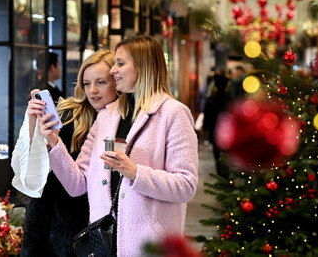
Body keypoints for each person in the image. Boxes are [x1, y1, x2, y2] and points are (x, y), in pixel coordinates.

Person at [40, 35, 199, 257]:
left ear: (143, 66)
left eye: (121, 63)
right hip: (103, 244)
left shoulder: (173, 113)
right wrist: (54, 142)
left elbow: (186, 185)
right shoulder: (108, 115)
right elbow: (77, 184)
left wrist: (135, 173)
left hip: (150, 247)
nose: (113, 70)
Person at [11, 50, 118, 257]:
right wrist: (33, 124)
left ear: (117, 81)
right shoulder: (69, 115)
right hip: (54, 225)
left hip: (103, 227)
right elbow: (36, 165)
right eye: (86, 83)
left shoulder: (127, 121)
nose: (93, 90)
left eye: (101, 82)